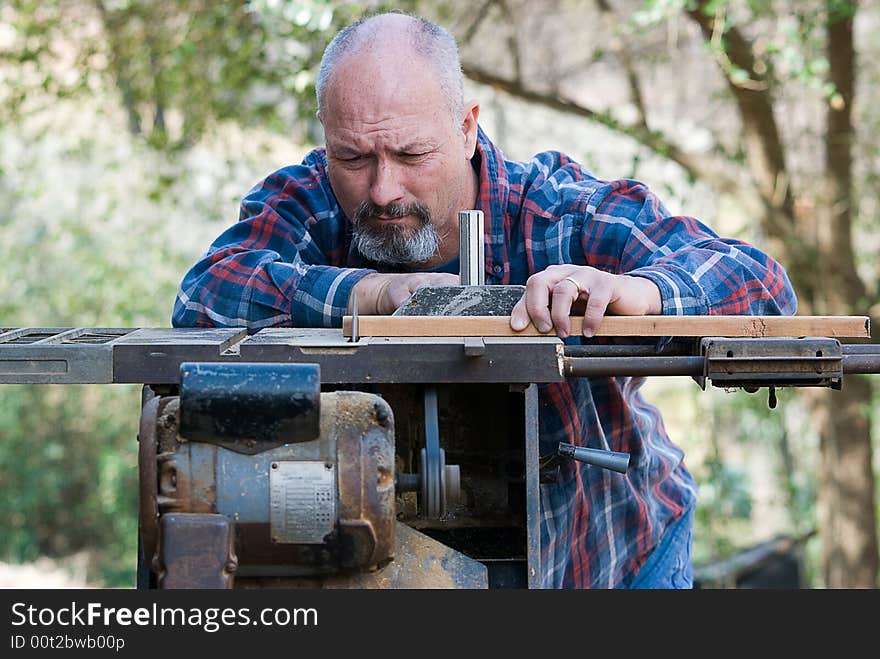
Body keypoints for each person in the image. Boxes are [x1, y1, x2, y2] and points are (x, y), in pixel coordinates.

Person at [172, 12, 797, 588]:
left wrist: (636, 291)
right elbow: (207, 295)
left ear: (467, 127)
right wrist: (373, 293)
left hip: (612, 552)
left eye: (412, 154)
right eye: (354, 157)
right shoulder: (307, 200)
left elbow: (762, 286)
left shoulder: (557, 210)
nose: (384, 188)